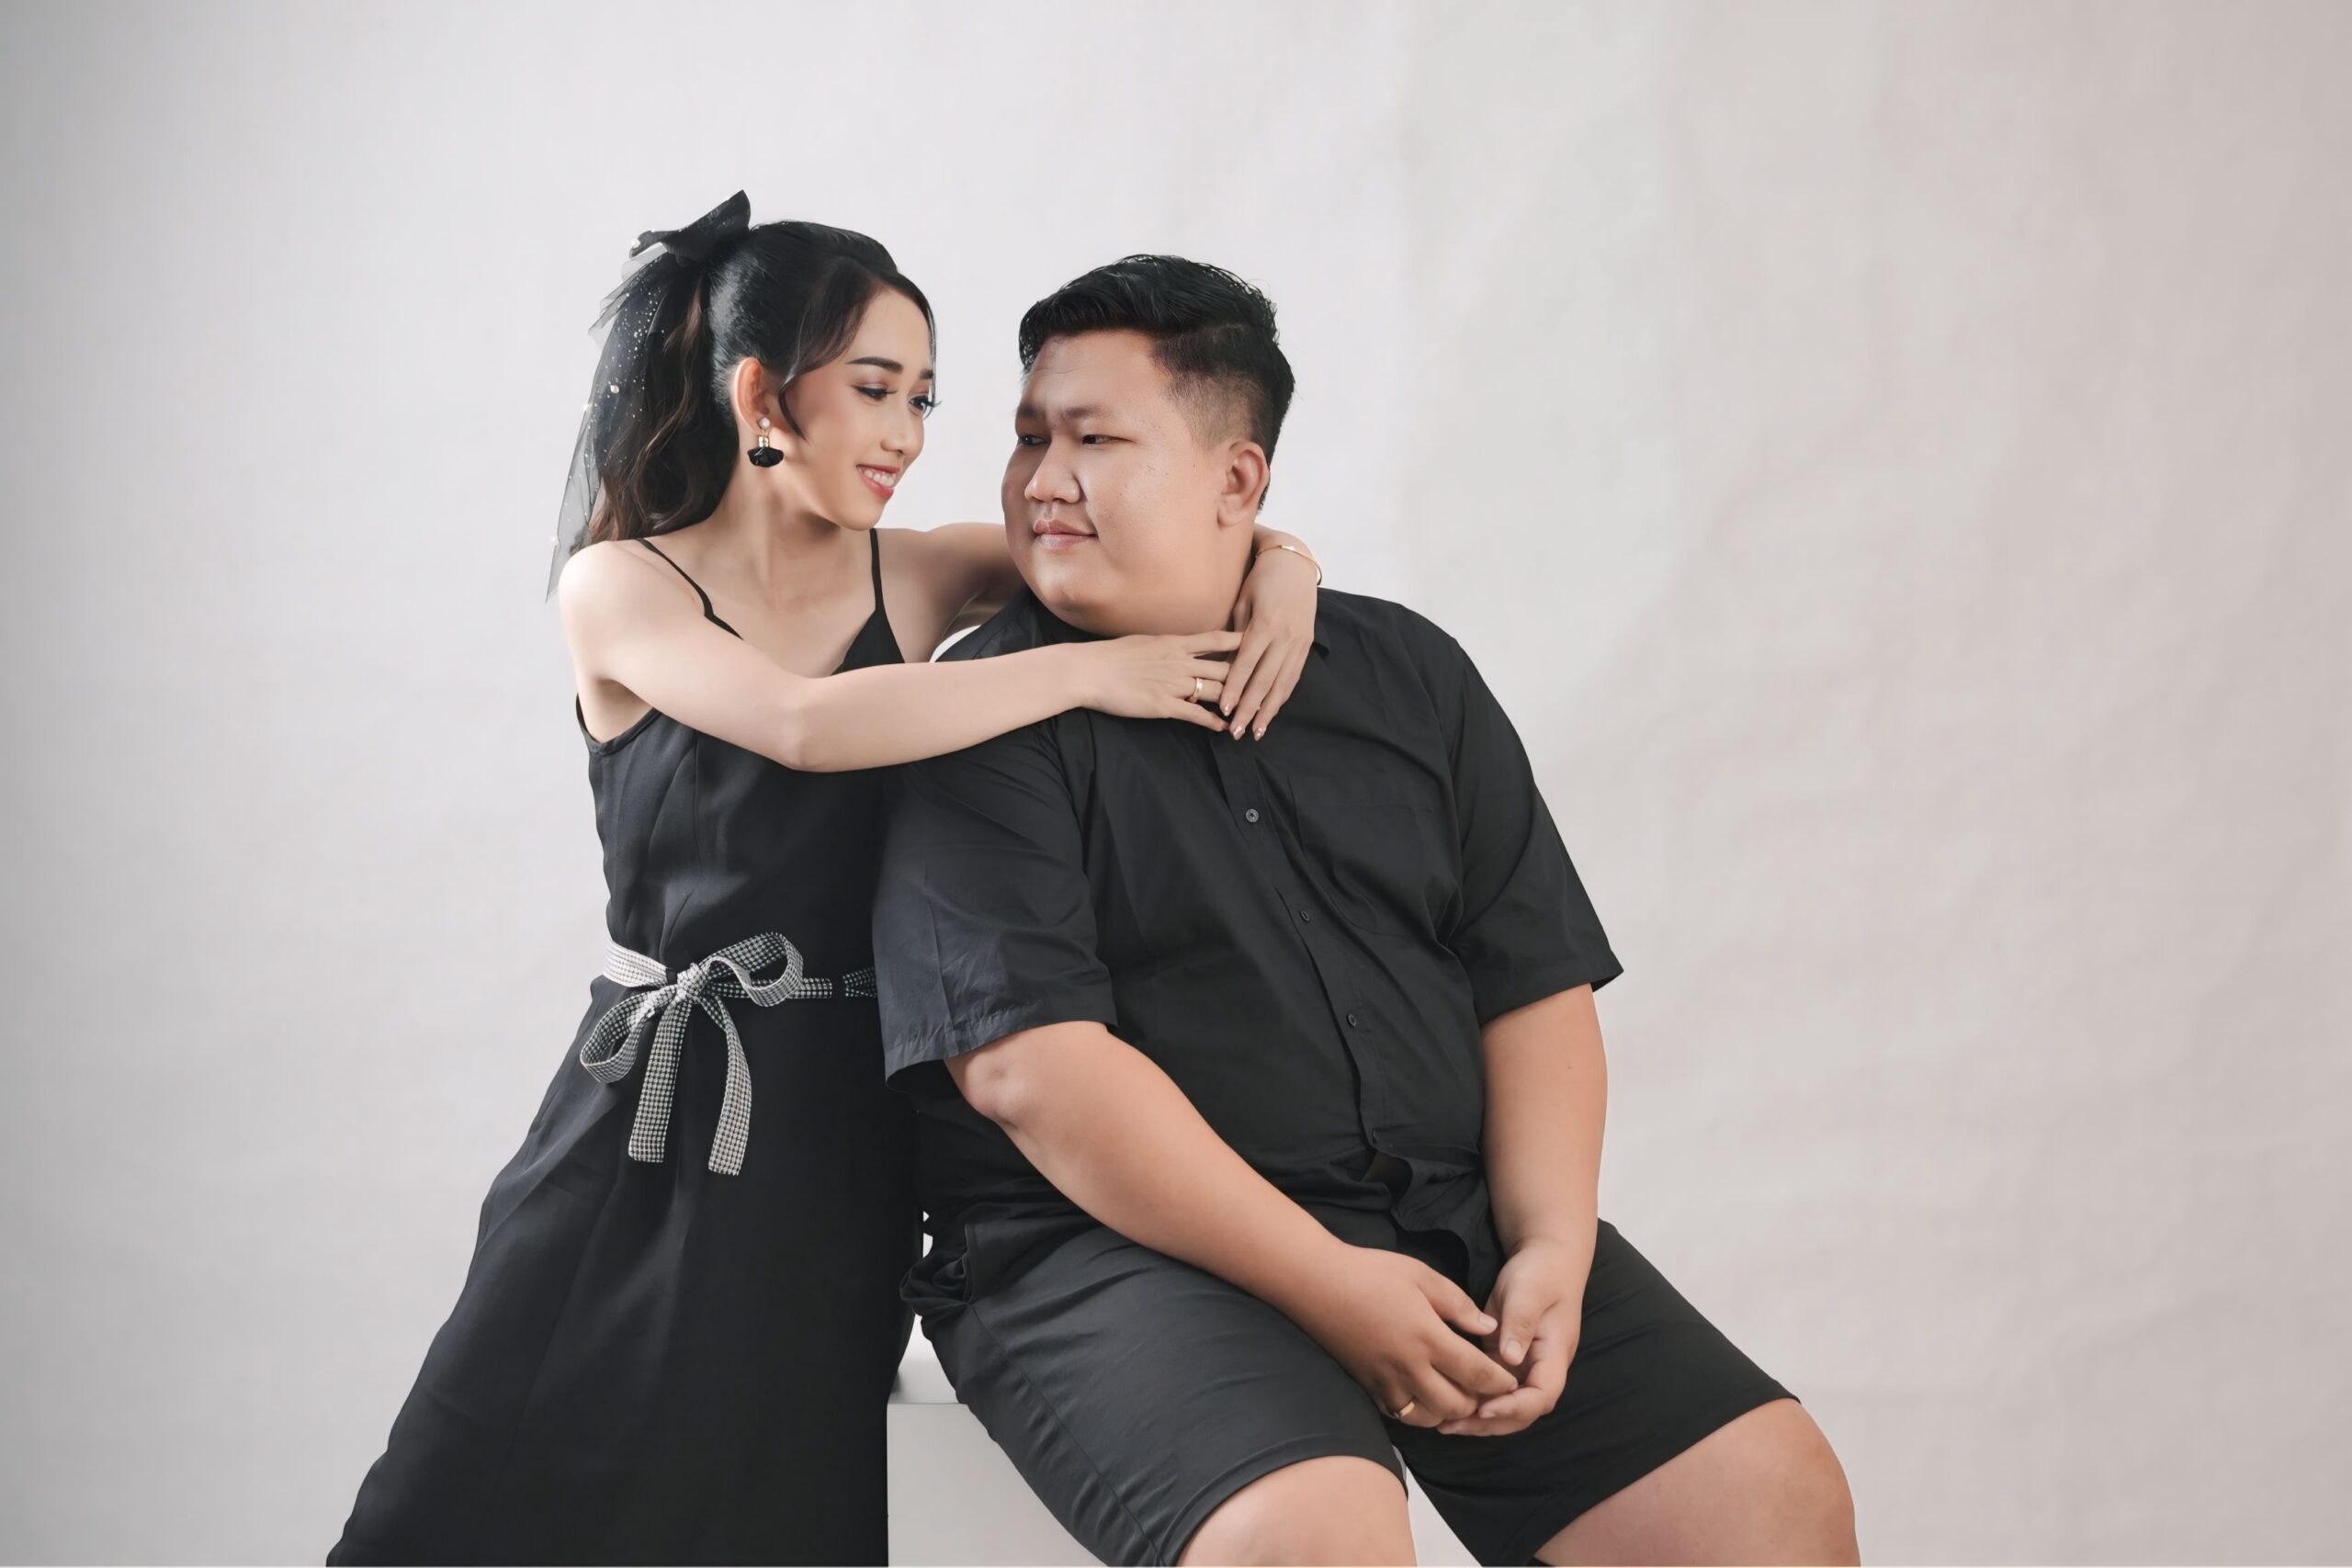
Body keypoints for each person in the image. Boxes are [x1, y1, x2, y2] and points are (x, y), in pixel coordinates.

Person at [326, 196, 1324, 1565]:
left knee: (780, 1492)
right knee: (503, 1472)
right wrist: (1091, 675)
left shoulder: (915, 574)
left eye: (924, 397)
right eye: (875, 388)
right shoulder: (618, 586)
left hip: (850, 1117)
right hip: (659, 1109)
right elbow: (802, 725)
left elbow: (1149, 547)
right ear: (761, 396)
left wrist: (1289, 568)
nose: (908, 433)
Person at [873, 254, 1859, 1566]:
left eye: (1095, 440)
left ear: (1238, 482)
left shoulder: (1407, 673)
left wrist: (1553, 1244)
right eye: (1029, 436)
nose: (1044, 479)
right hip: (1104, 1250)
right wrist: (1330, 1284)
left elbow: (1530, 981)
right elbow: (1028, 1073)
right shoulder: (979, 714)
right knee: (1311, 1543)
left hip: (1439, 1219)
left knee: (1770, 1493)